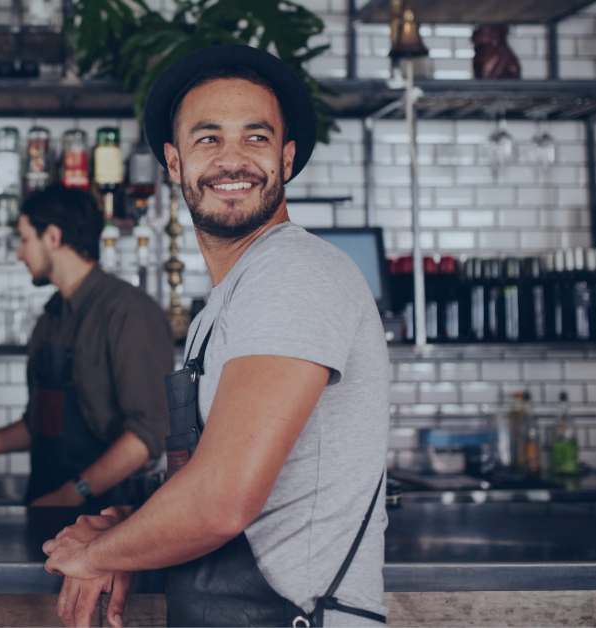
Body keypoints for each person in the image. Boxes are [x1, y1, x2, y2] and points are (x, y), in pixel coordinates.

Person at [41, 45, 390, 627]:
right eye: (209, 139)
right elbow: (203, 482)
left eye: (256, 138)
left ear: (287, 156)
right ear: (175, 164)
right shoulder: (226, 302)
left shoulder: (292, 271)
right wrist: (130, 529)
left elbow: (222, 501)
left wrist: (96, 554)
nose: (234, 159)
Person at [0, 185, 175, 508]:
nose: (19, 253)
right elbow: (40, 424)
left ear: (52, 237)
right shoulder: (52, 317)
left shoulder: (130, 312)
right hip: (47, 504)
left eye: (25, 240)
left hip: (109, 516)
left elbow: (147, 434)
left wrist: (72, 494)